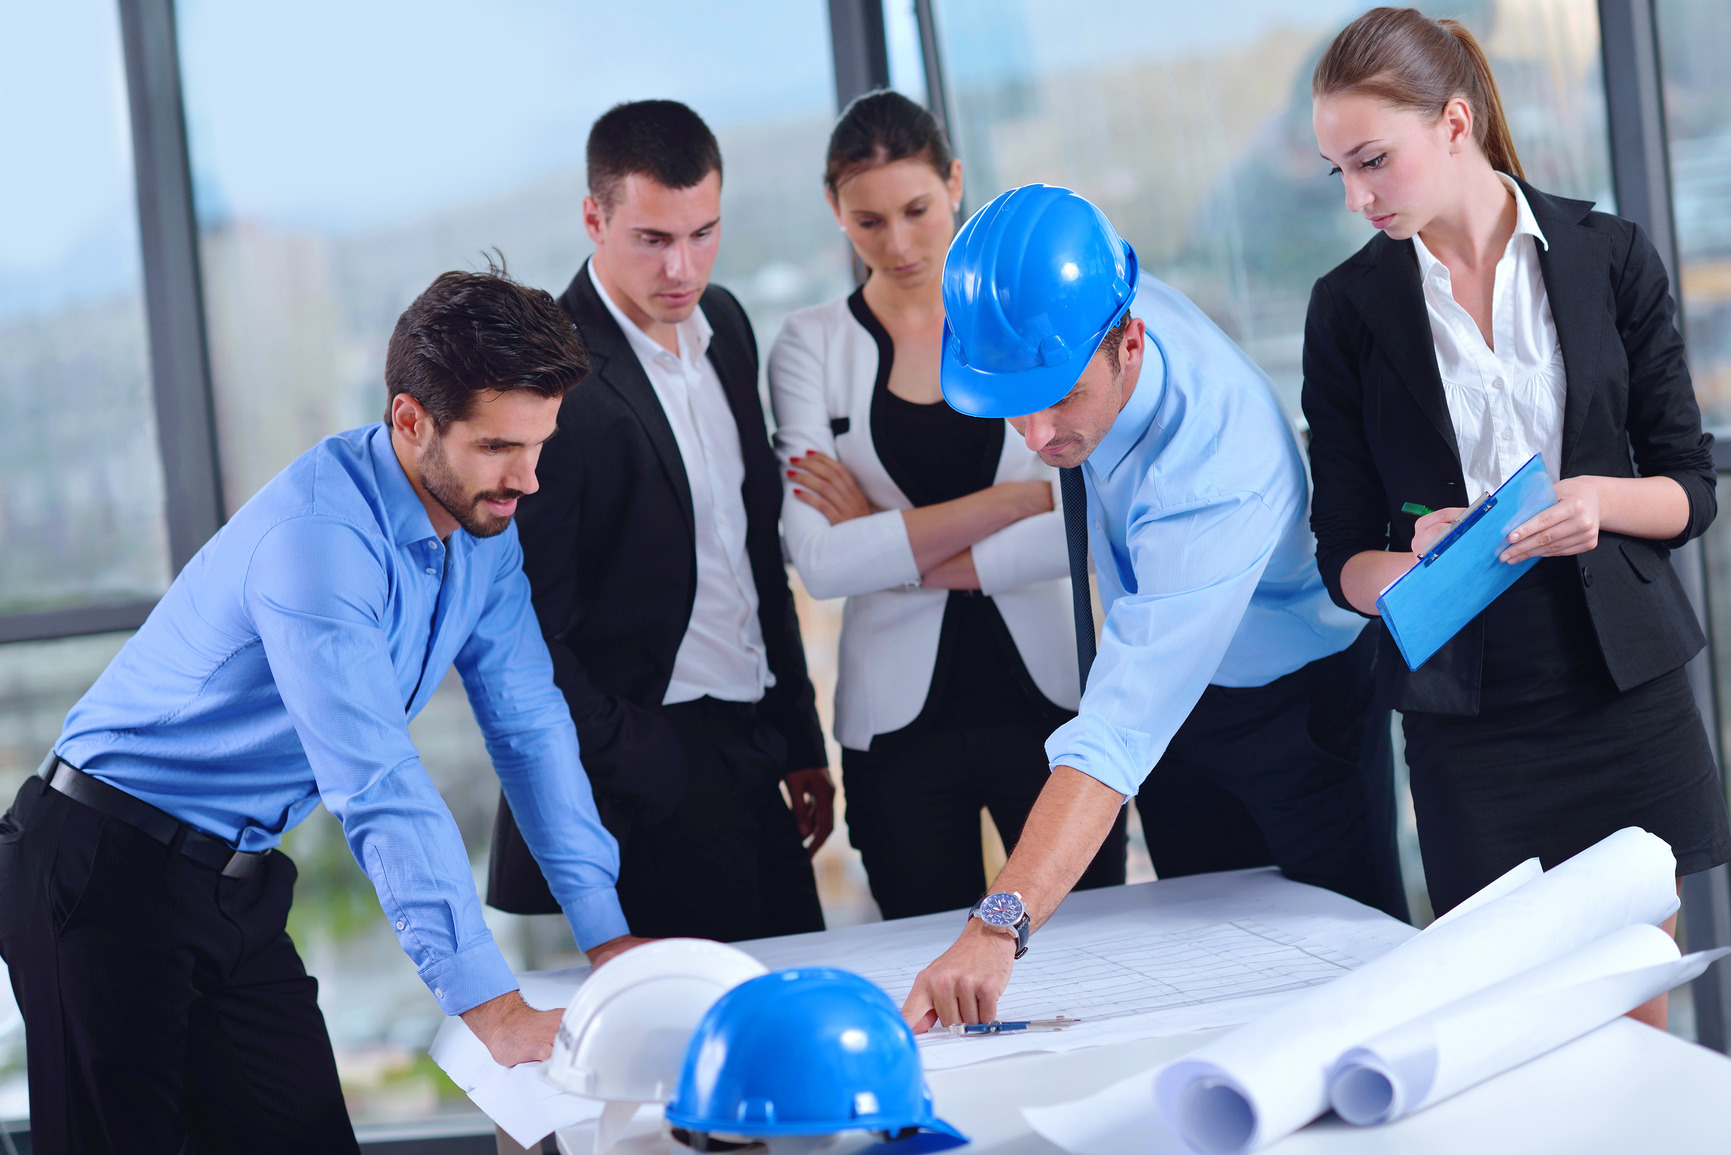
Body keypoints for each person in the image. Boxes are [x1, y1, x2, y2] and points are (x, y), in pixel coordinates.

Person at [0, 267, 642, 1153]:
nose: (527, 479)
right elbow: (377, 782)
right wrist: (489, 1004)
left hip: (236, 878)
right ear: (410, 419)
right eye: (498, 446)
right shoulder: (319, 540)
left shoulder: (482, 528)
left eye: (539, 445)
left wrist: (605, 933)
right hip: (103, 865)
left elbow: (529, 723)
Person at [1303, 7, 1731, 1026]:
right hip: (1468, 718)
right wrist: (1413, 562)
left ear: (1455, 123)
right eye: (1339, 173)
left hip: (1623, 690)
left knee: (1634, 1012)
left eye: (1373, 161)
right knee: (1509, 1025)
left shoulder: (1607, 255)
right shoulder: (1347, 308)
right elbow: (1342, 557)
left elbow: (1688, 487)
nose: (1357, 196)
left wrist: (1596, 501)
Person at [901, 184, 1404, 1031]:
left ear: (1129, 344)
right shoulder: (1083, 302)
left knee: (1348, 990)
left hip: (1299, 716)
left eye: (1061, 397)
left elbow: (1115, 731)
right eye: (1017, 403)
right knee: (1198, 972)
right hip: (1185, 716)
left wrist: (996, 926)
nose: (1036, 435)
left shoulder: (1213, 472)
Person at [770, 91, 1125, 920]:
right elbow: (820, 564)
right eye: (868, 221)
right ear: (834, 210)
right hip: (897, 734)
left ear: (955, 183)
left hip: (1052, 705)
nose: (897, 244)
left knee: (1094, 942)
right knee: (923, 958)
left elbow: (1080, 527)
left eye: (916, 210)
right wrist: (1010, 500)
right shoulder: (809, 345)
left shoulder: (1023, 309)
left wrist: (882, 541)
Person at [486, 100, 832, 943]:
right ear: (593, 219)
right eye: (652, 239)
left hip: (752, 738)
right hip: (651, 765)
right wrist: (644, 760)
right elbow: (524, 627)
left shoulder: (729, 327)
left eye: (702, 233)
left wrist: (799, 737)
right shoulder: (550, 379)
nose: (683, 267)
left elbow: (753, 556)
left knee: (797, 983)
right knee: (699, 1015)